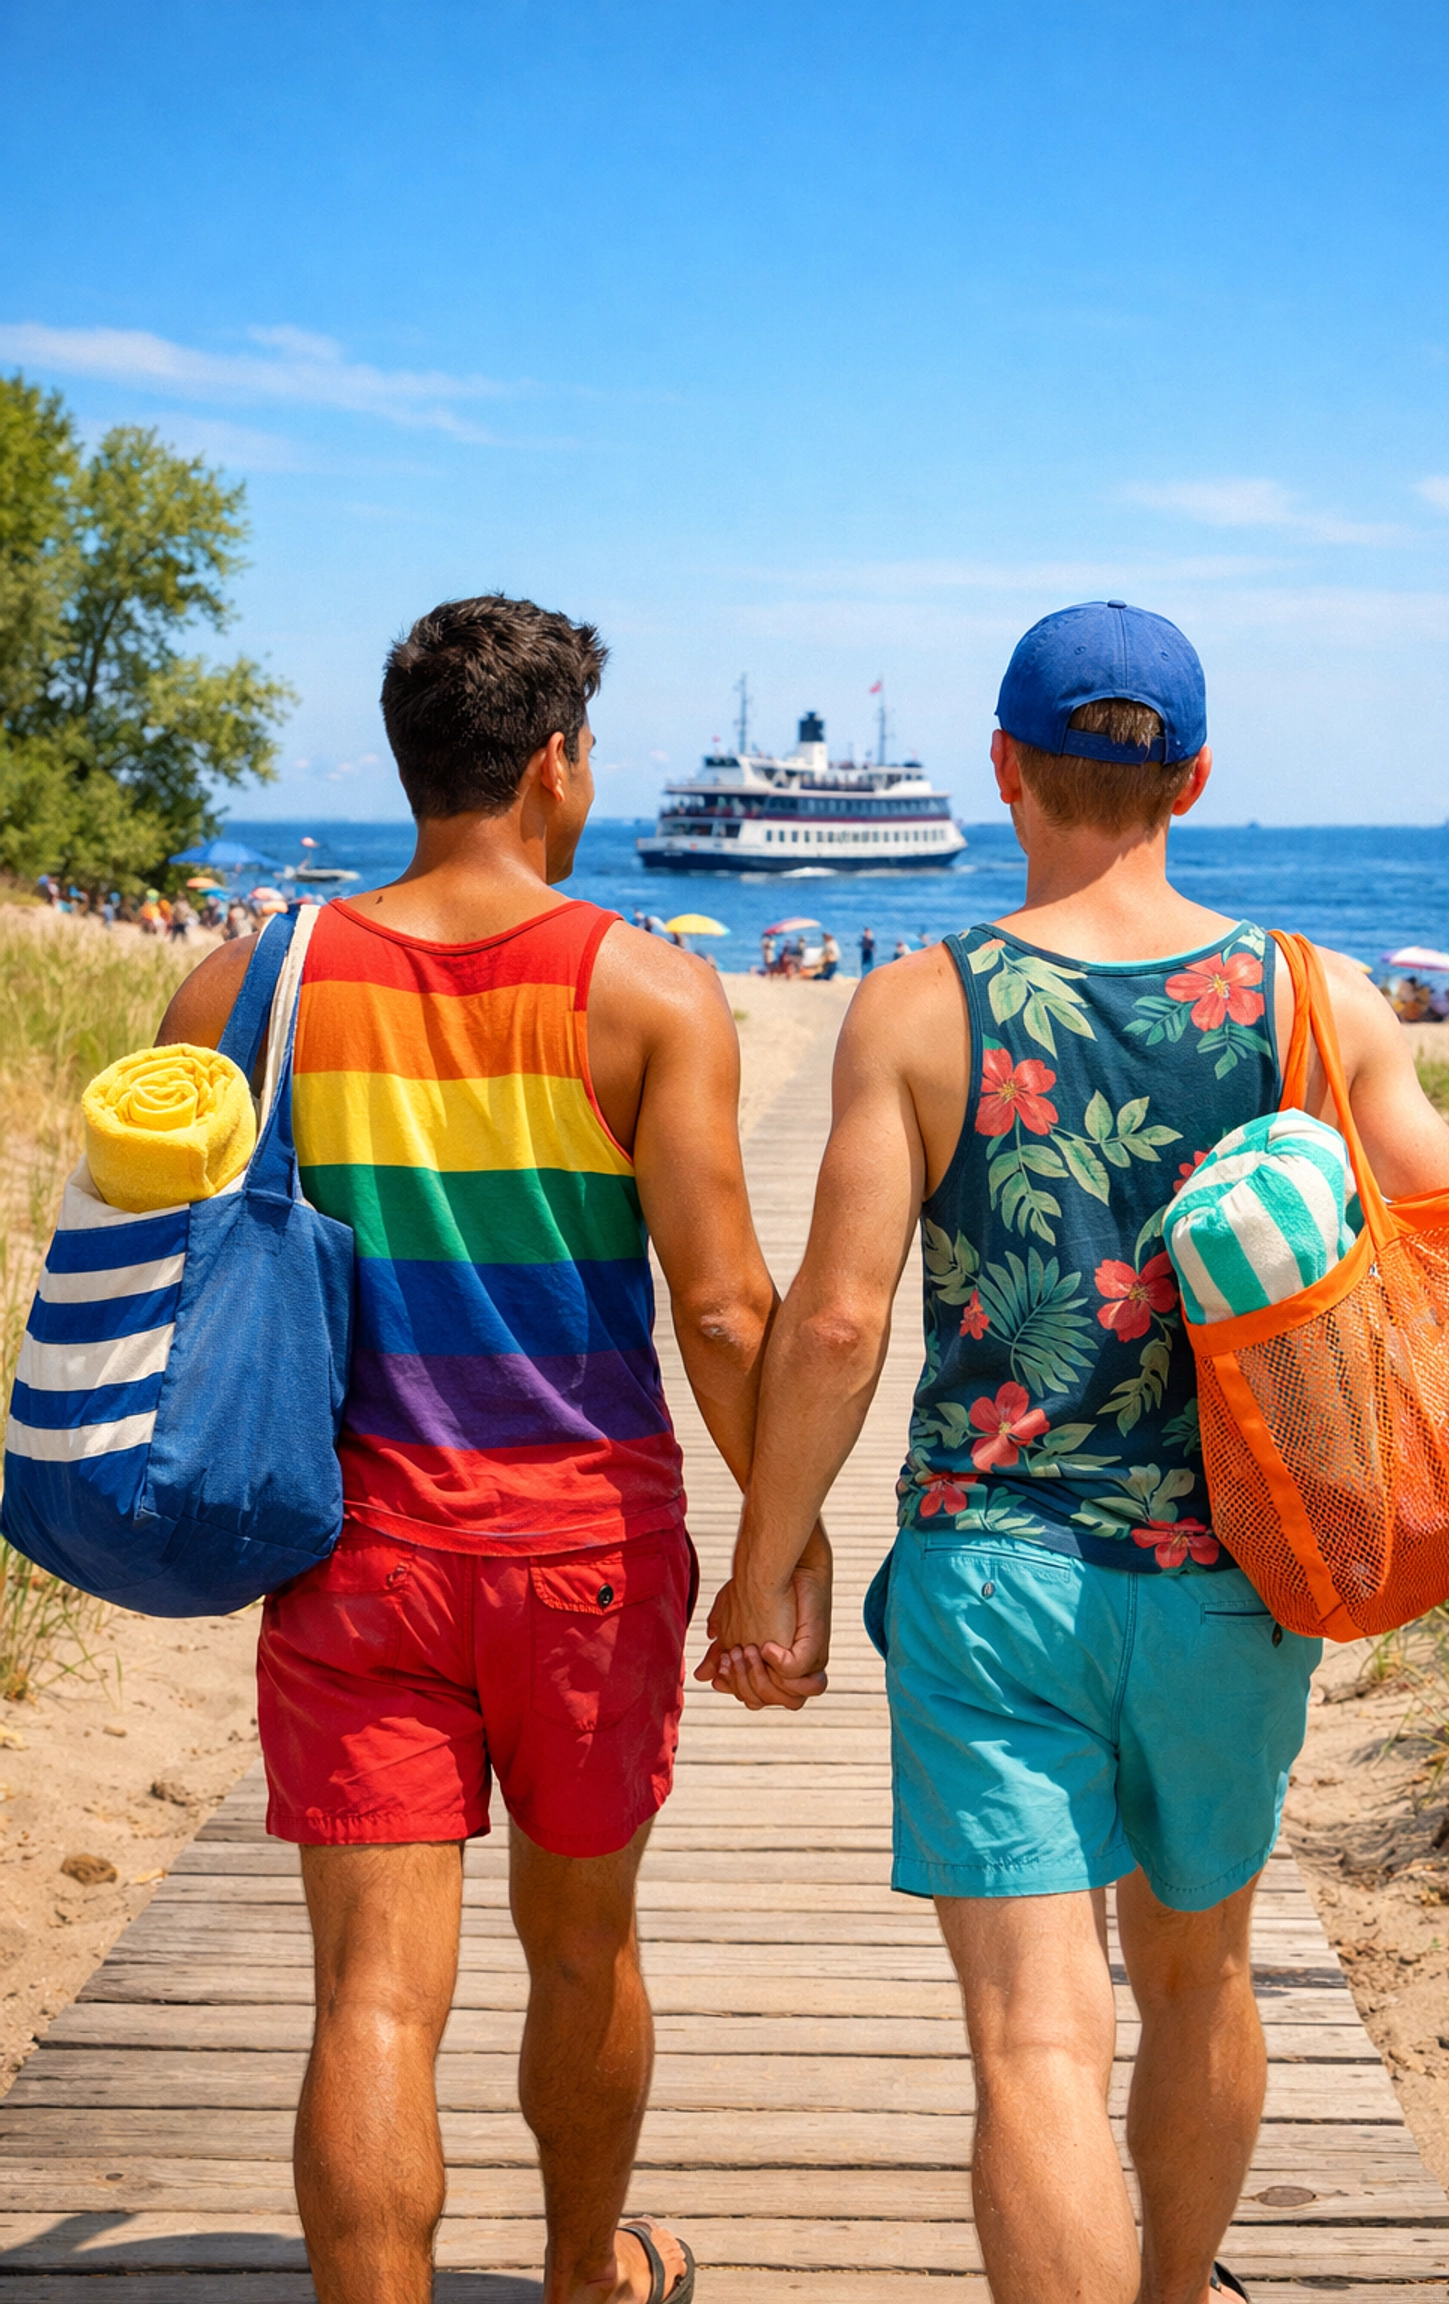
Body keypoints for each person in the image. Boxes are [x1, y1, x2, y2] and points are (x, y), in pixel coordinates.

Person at [701, 600, 1449, 2304]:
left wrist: (768, 1555)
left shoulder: (920, 1008)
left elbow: (842, 1326)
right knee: (1200, 1979)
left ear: (1004, 769)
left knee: (1034, 2043)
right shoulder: (1318, 994)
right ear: (1197, 779)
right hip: (1233, 1577)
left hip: (992, 1578)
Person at [156, 594, 822, 2304]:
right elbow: (730, 1312)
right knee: (583, 1950)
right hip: (586, 1559)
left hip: (349, 1548)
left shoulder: (250, 981)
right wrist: (780, 1545)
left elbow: (169, 1245)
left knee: (373, 1997)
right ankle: (588, 2271)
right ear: (556, 766)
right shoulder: (650, 993)